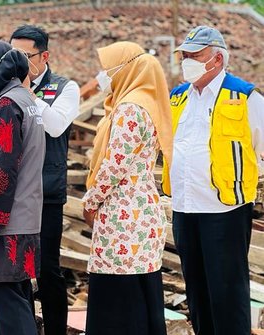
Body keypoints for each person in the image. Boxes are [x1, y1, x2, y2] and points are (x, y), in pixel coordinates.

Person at [161, 26, 264, 334]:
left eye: (194, 56)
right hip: (184, 207)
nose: (186, 62)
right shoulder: (178, 97)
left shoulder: (244, 96)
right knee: (197, 289)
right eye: (184, 56)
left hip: (225, 210)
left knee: (227, 291)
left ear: (217, 59)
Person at [82, 41, 173, 335]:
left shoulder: (130, 108)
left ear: (128, 69)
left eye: (110, 69)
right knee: (139, 293)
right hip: (140, 211)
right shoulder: (147, 102)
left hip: (124, 215)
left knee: (120, 299)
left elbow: (115, 164)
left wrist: (90, 201)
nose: (106, 75)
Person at [0, 40, 45, 335]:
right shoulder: (27, 100)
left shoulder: (6, 104)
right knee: (19, 297)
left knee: (9, 305)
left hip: (7, 224)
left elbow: (5, 165)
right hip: (26, 217)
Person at [10, 24, 80, 335]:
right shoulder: (5, 87)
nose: (18, 62)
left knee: (48, 269)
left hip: (47, 192)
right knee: (15, 270)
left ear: (44, 56)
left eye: (25, 56)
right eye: (13, 55)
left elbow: (54, 126)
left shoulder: (65, 88)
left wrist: (25, 91)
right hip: (13, 192)